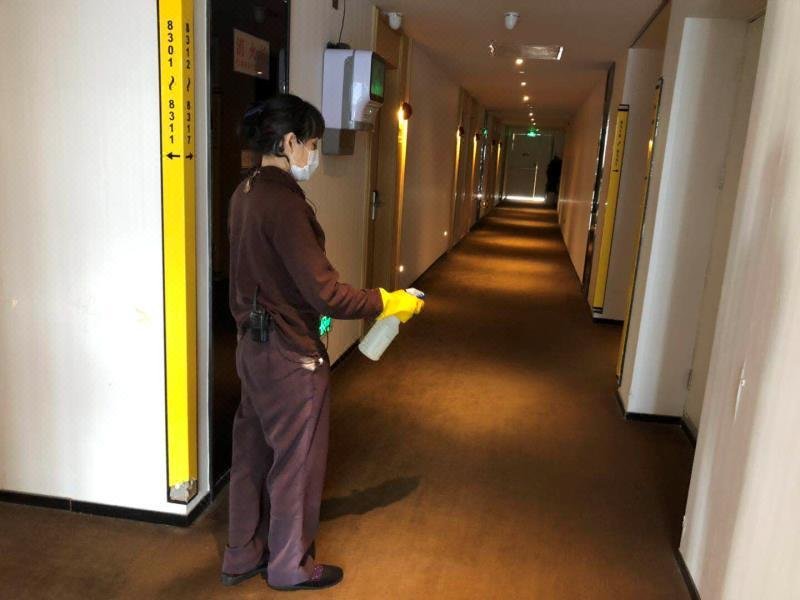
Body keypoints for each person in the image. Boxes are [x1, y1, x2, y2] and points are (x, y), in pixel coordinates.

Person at [220, 94, 424, 592]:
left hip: (252, 347)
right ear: (289, 142)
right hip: (290, 357)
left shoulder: (245, 192)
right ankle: (289, 565)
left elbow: (262, 278)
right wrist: (387, 300)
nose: (314, 155)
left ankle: (241, 553)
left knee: (251, 455)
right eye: (311, 144)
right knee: (297, 464)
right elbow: (326, 292)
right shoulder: (285, 204)